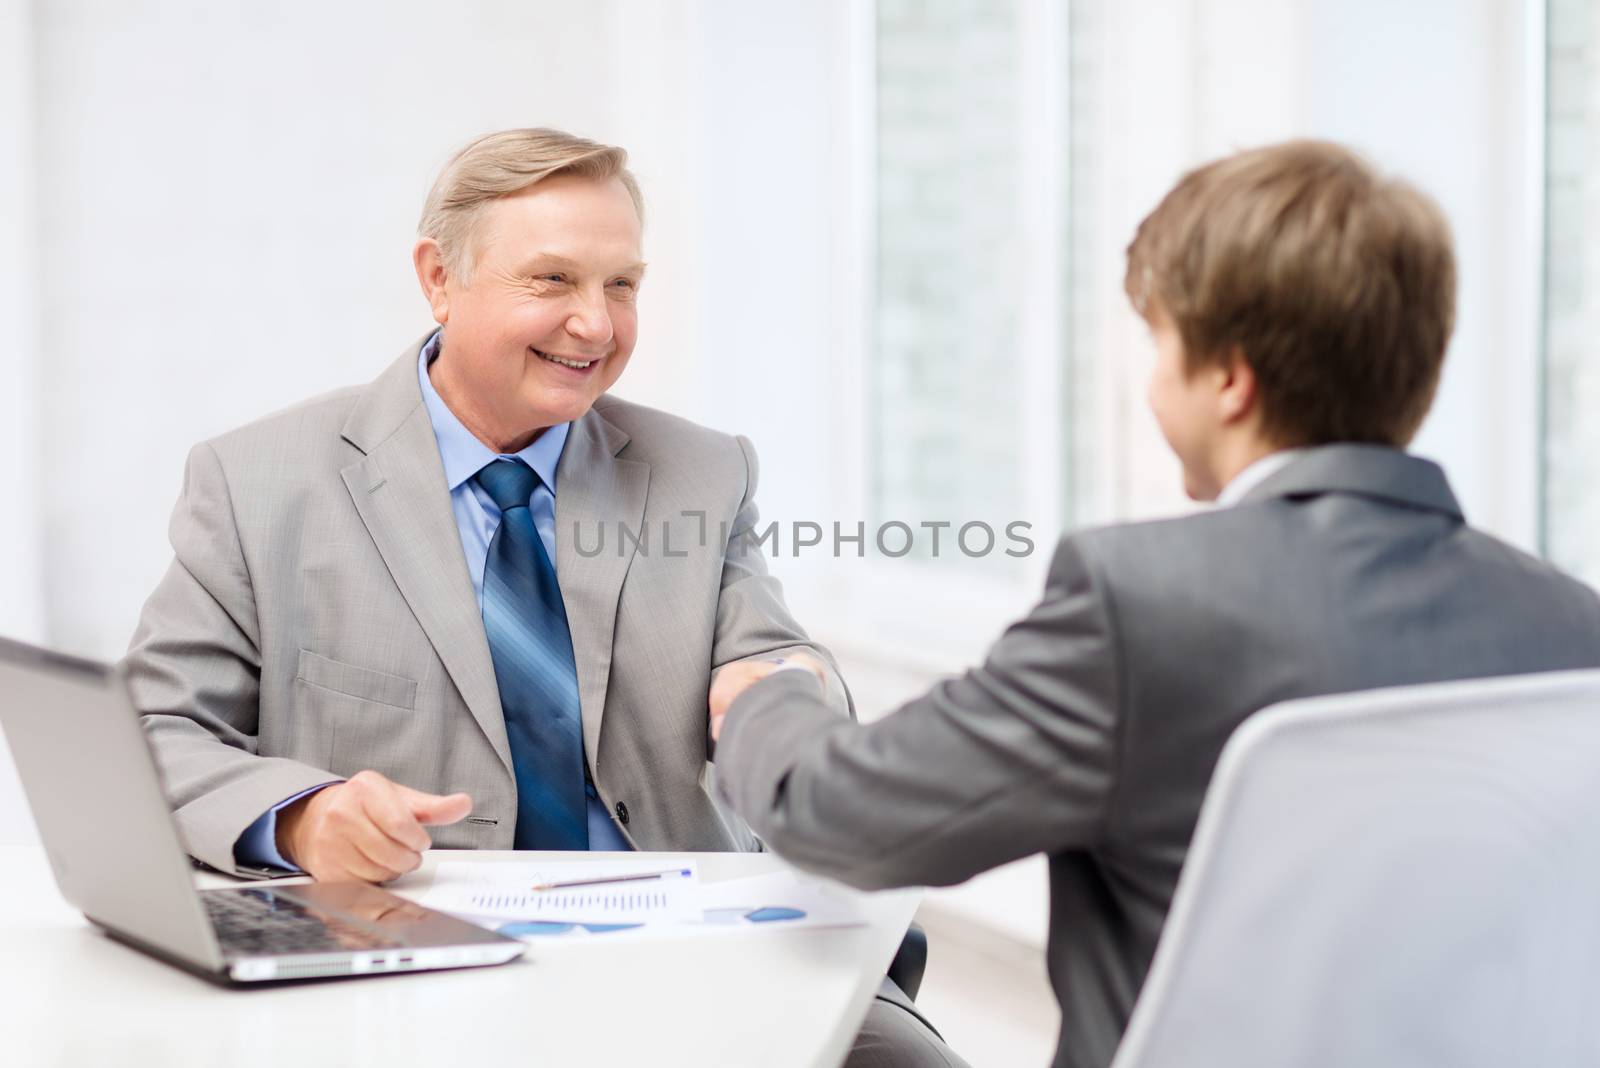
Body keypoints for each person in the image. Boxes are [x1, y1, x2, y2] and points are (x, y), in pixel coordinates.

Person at [706, 140, 1600, 1068]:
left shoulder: (1143, 602)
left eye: (1160, 342)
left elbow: (848, 819)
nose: (1151, 380)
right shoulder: (1574, 625)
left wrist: (769, 700)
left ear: (1228, 380)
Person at [124, 127, 959, 1067]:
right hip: (407, 966)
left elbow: (767, 652)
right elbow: (154, 732)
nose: (596, 325)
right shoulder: (258, 482)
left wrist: (786, 680)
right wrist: (303, 814)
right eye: (553, 281)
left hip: (697, 951)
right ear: (440, 277)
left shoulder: (702, 472)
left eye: (623, 285)